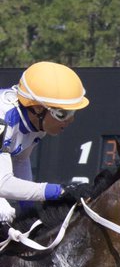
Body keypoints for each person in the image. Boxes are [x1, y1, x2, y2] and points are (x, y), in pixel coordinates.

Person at [1, 61, 90, 223]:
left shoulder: (35, 121)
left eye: (72, 112)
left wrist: (29, 209)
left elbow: (20, 159)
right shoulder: (3, 120)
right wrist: (58, 191)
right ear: (37, 109)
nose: (70, 120)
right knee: (4, 211)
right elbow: (2, 184)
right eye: (63, 114)